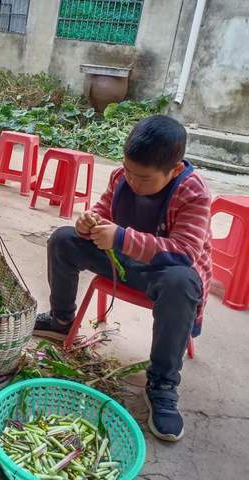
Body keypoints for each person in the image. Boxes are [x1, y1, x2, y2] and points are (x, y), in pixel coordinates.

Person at [34, 115, 212, 442]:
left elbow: (185, 252)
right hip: (122, 260)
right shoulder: (122, 177)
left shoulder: (193, 191)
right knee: (62, 240)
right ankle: (61, 319)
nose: (132, 181)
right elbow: (104, 212)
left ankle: (162, 383)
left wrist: (121, 238)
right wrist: (88, 224)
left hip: (162, 273)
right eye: (128, 171)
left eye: (143, 178)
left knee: (182, 282)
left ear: (173, 170)